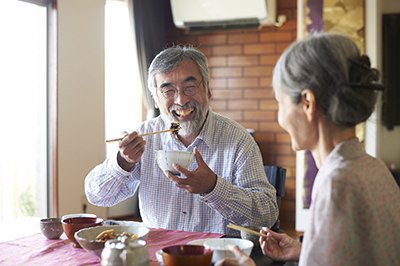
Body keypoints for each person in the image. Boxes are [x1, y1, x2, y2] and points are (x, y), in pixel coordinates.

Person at [215, 33, 400, 265]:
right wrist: (308, 250)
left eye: (280, 104)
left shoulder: (336, 183)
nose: (279, 117)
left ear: (307, 103)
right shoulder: (375, 169)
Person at [85, 46, 279, 235]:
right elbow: (96, 196)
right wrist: (123, 162)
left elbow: (267, 214)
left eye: (190, 87)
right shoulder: (144, 136)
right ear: (155, 100)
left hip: (216, 257)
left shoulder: (237, 139)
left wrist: (214, 187)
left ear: (208, 90)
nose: (181, 100)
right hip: (159, 255)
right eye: (168, 91)